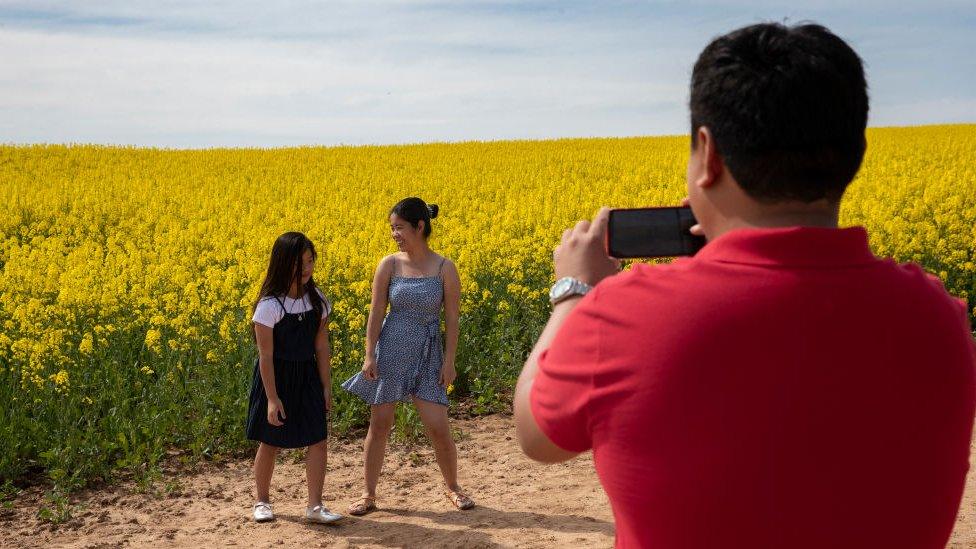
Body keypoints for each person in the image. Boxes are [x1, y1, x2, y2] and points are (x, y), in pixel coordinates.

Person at [513, 22, 976, 548]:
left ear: (708, 154)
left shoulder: (624, 316)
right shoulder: (940, 317)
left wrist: (573, 292)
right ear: (855, 154)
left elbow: (535, 435)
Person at [342, 197, 475, 515]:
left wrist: (450, 361)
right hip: (391, 350)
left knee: (438, 426)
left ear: (419, 226)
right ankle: (369, 495)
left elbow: (453, 318)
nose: (394, 234)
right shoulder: (388, 265)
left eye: (399, 227)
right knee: (380, 424)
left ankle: (452, 488)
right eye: (392, 228)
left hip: (429, 354)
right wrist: (369, 355)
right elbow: (376, 312)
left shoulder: (445, 267)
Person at [246, 232, 343, 524]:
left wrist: (326, 386)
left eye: (310, 261)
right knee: (270, 440)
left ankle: (315, 506)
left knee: (318, 439)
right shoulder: (269, 305)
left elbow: (321, 346)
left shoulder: (318, 300)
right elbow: (265, 356)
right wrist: (272, 398)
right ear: (281, 263)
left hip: (308, 376)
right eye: (299, 262)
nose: (306, 268)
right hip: (276, 378)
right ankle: (262, 500)